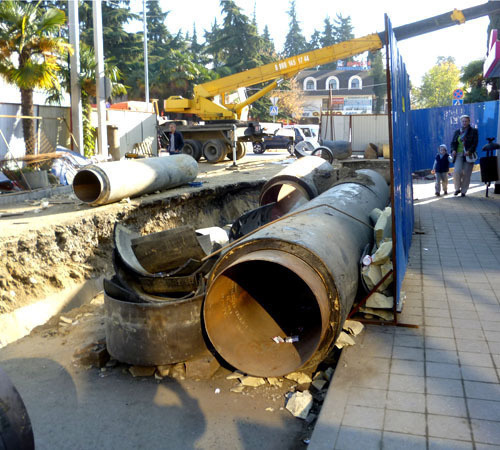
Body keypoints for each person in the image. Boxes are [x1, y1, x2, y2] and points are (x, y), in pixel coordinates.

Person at [450, 114, 478, 197]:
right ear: (461, 122)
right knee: (457, 171)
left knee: (466, 173)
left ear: (469, 121)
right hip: (458, 154)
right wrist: (453, 150)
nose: (464, 122)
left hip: (468, 155)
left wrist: (469, 151)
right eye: (463, 121)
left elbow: (475, 143)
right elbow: (453, 143)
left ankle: (463, 191)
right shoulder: (457, 132)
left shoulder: (473, 131)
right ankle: (457, 188)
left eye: (466, 121)